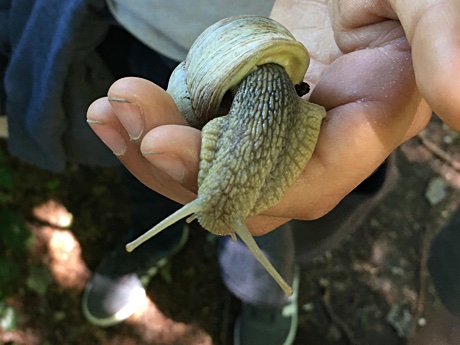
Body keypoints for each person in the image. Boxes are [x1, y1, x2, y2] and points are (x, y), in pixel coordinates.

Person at [86, 0, 460, 344]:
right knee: (158, 162)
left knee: (268, 208)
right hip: (136, 24)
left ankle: (262, 291)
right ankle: (158, 240)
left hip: (300, 28)